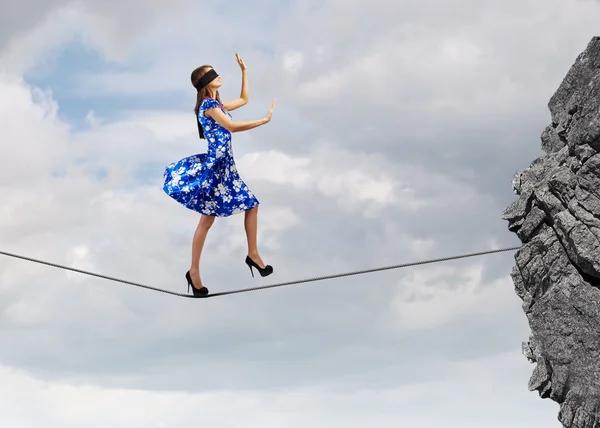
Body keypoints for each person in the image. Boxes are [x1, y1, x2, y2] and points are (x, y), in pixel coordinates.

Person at [162, 53, 276, 296]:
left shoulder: (218, 105)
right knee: (208, 220)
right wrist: (263, 120)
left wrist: (244, 71)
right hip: (216, 168)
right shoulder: (208, 106)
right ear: (205, 82)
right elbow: (232, 126)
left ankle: (252, 255)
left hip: (226, 167)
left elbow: (245, 99)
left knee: (249, 206)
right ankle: (195, 272)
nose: (219, 75)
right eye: (212, 73)